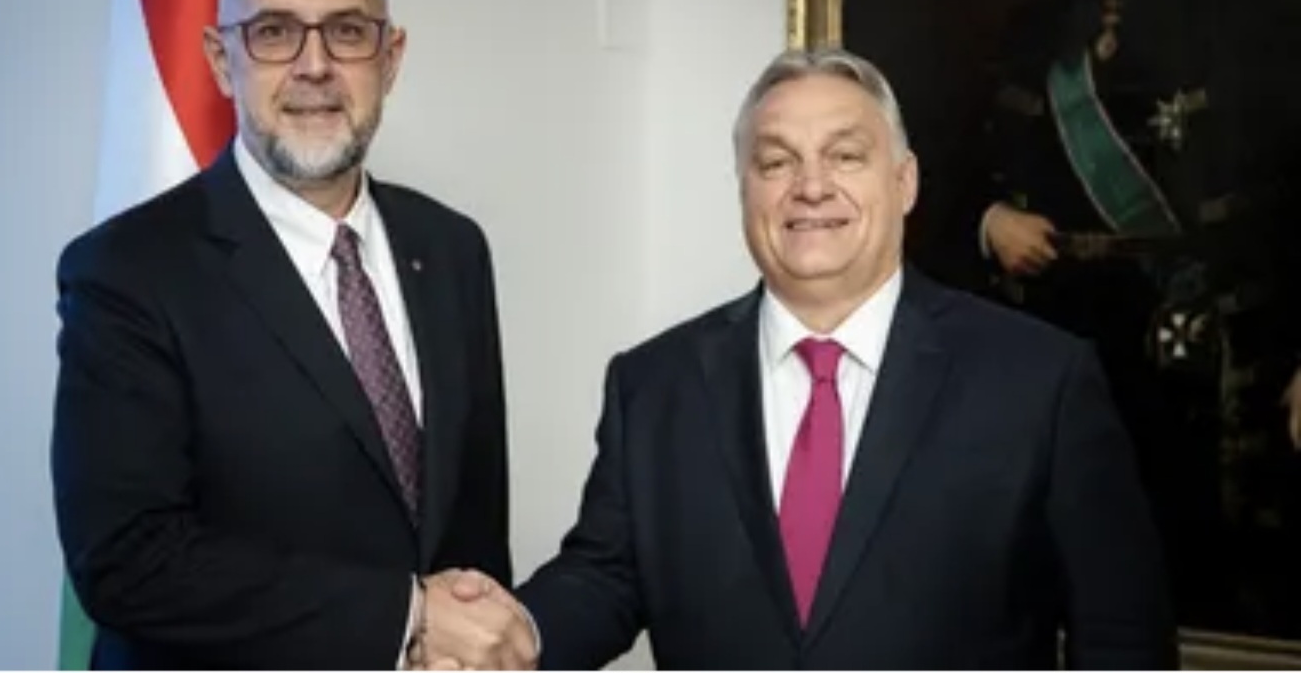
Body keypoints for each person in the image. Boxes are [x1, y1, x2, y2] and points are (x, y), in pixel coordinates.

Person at [441, 47, 1177, 668]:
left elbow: (1123, 637)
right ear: (745, 190)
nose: (811, 187)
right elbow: (605, 576)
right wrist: (514, 634)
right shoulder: (654, 385)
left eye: (846, 156)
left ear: (905, 182)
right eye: (776, 162)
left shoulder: (1040, 380)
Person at [50, 0, 533, 669]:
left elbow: (472, 528)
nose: (315, 66)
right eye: (274, 32)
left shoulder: (451, 248)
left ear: (391, 58)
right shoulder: (127, 271)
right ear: (221, 60)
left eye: (347, 32)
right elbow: (127, 560)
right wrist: (405, 615)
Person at [976, 0, 1301, 634]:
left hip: (1199, 354)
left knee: (1187, 578)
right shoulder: (1036, 25)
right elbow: (963, 167)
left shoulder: (1259, 18)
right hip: (1056, 346)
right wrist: (990, 222)